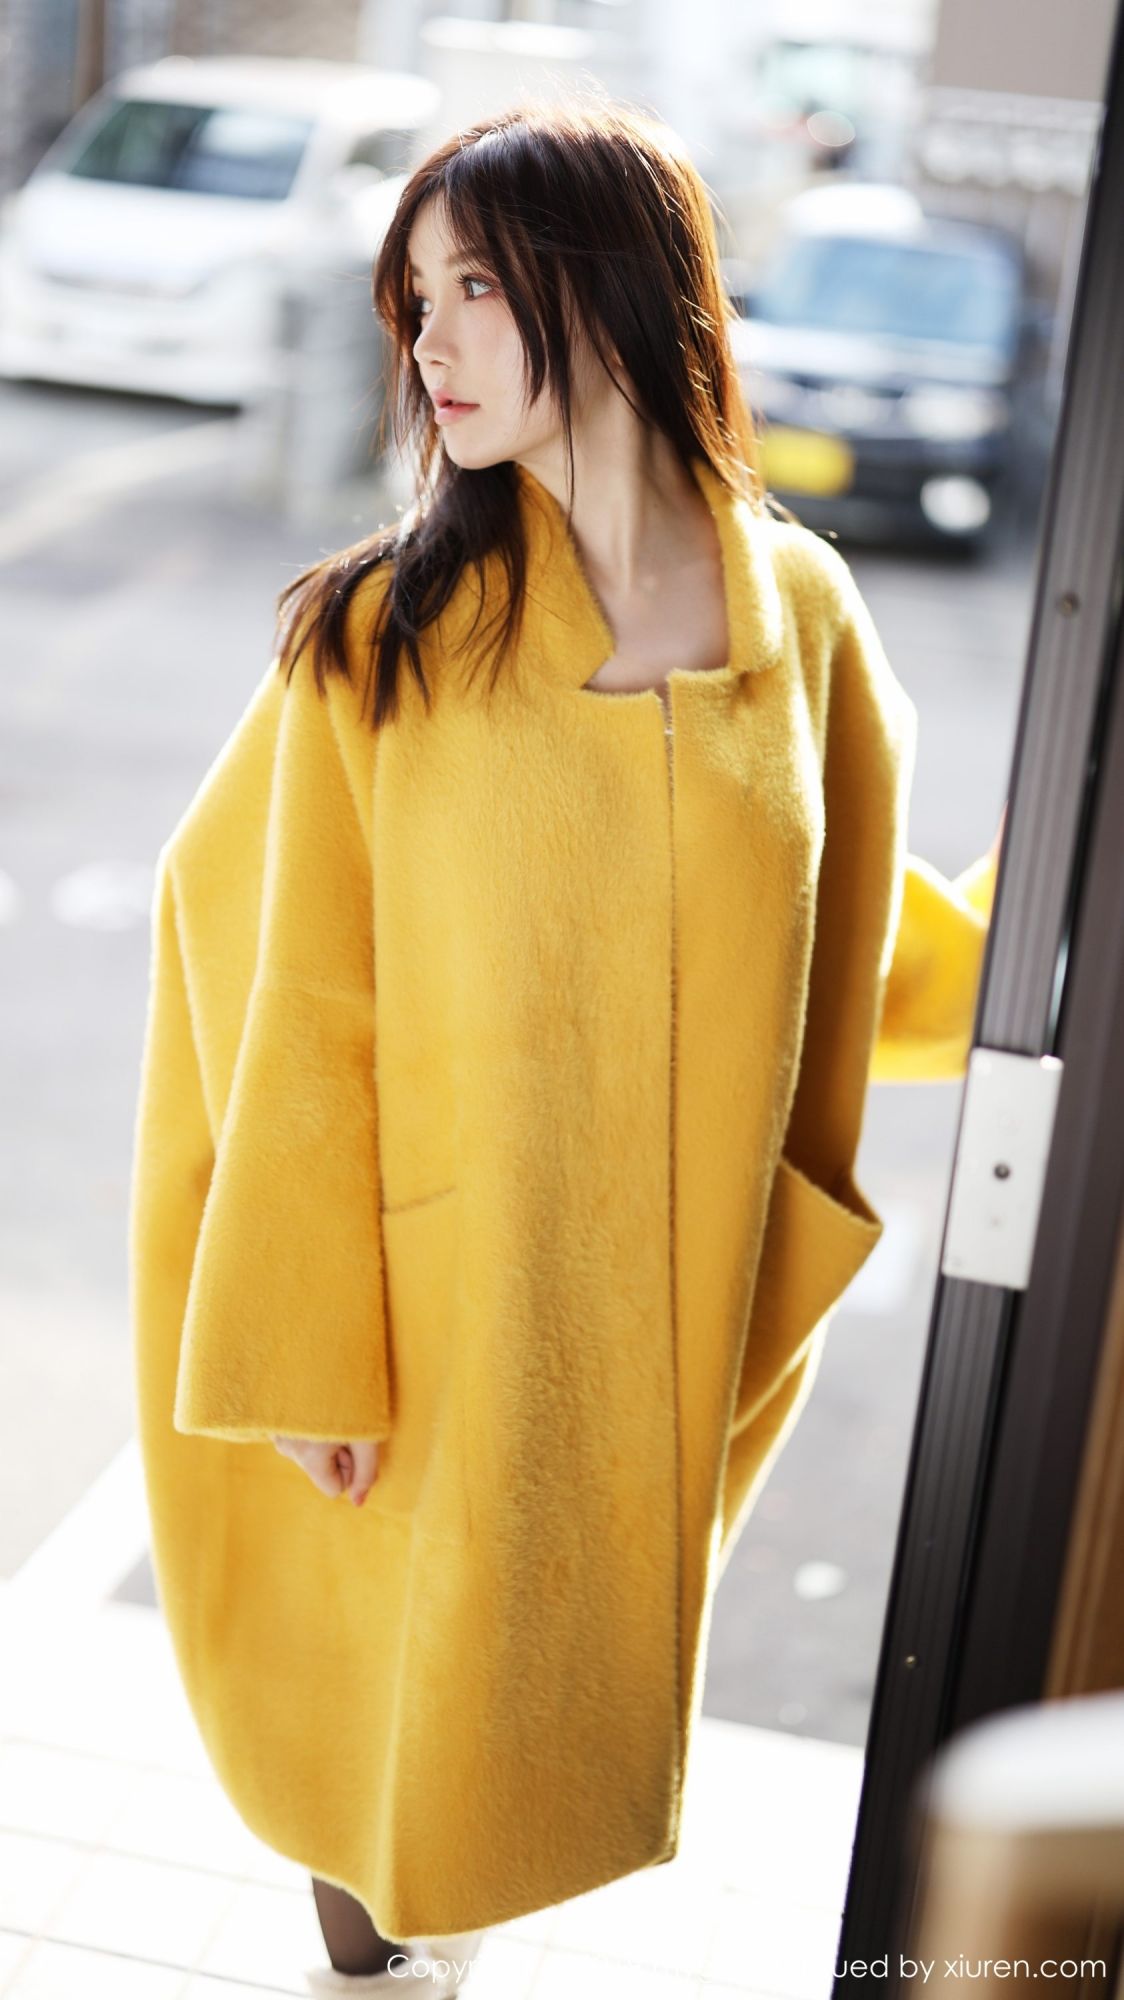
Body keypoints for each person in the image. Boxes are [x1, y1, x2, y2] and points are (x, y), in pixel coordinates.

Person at [129, 94, 1005, 1997]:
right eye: (413, 298)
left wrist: (1035, 960)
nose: (428, 342)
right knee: (371, 1744)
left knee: (522, 1718)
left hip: (652, 1299)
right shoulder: (386, 632)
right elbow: (284, 978)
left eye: (474, 288)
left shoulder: (800, 612)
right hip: (419, 1296)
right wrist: (303, 1336)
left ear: (609, 284)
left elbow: (855, 918)